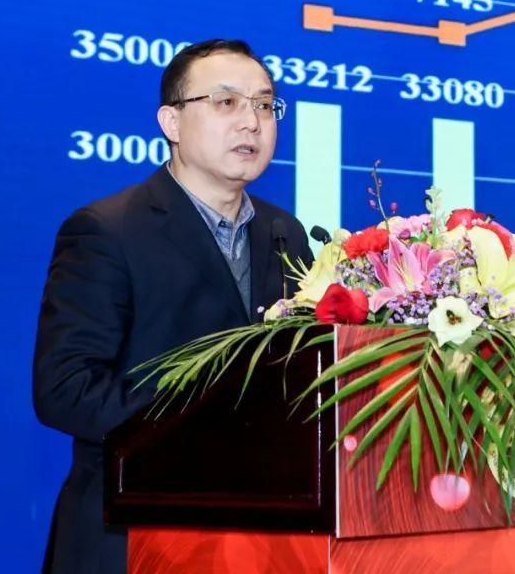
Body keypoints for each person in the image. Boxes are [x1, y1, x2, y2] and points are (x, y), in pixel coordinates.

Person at [32, 39, 314, 574]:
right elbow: (66, 390)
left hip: (255, 537)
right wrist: (216, 410)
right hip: (131, 533)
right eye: (226, 102)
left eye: (264, 104)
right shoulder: (107, 230)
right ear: (172, 122)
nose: (252, 122)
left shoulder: (285, 232)